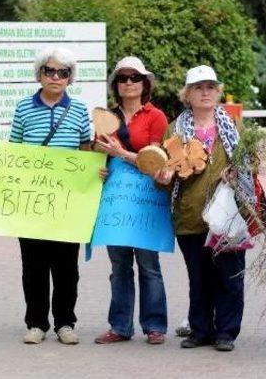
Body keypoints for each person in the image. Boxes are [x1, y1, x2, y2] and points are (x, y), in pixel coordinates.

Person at [154, 65, 256, 352]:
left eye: (211, 87)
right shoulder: (175, 129)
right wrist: (162, 177)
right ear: (187, 95)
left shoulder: (233, 126)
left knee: (229, 278)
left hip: (228, 216)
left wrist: (237, 173)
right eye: (198, 87)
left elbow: (250, 164)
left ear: (218, 92)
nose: (205, 92)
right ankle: (201, 331)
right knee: (199, 279)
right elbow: (167, 174)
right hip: (190, 214)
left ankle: (226, 332)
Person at [9, 47, 91, 346]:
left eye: (63, 72)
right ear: (39, 74)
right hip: (32, 201)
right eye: (50, 71)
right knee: (33, 265)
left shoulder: (80, 110)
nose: (56, 77)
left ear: (70, 78)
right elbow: (14, 152)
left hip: (68, 203)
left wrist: (95, 172)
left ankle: (65, 323)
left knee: (67, 266)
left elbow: (85, 152)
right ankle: (36, 323)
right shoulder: (22, 109)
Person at [93, 56, 168, 345]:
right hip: (116, 199)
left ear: (144, 83)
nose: (128, 83)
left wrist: (121, 154)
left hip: (146, 197)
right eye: (122, 78)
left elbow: (157, 161)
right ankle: (120, 326)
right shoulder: (105, 116)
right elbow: (97, 154)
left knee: (149, 264)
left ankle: (155, 325)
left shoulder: (156, 116)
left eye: (134, 78)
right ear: (116, 84)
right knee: (119, 266)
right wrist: (99, 167)